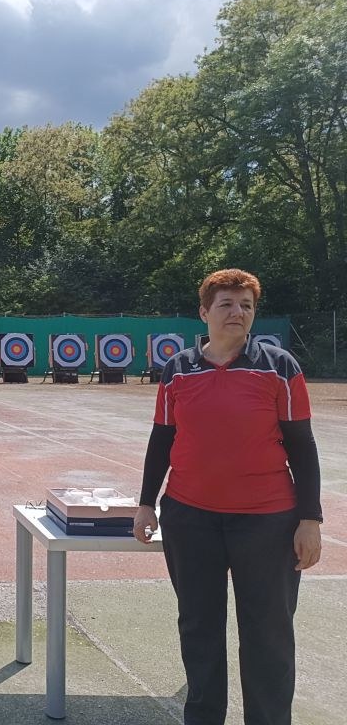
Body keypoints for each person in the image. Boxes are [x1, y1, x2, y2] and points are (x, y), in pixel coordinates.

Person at [133, 268, 323, 725]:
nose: (237, 312)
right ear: (204, 312)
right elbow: (162, 438)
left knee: (268, 635)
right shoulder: (177, 369)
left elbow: (302, 444)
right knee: (198, 629)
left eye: (246, 305)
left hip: (268, 521)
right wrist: (146, 503)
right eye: (226, 304)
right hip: (189, 518)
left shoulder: (279, 366)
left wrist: (310, 519)